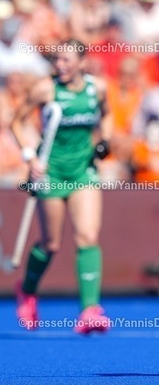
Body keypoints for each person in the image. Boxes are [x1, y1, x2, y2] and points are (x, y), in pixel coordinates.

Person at [11, 39, 112, 334]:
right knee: (51, 243)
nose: (60, 65)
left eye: (67, 60)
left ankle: (90, 310)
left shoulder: (97, 89)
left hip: (84, 171)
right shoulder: (46, 89)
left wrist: (104, 141)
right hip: (51, 172)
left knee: (88, 236)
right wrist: (30, 157)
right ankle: (28, 291)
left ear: (82, 62)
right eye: (57, 60)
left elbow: (106, 115)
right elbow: (16, 122)